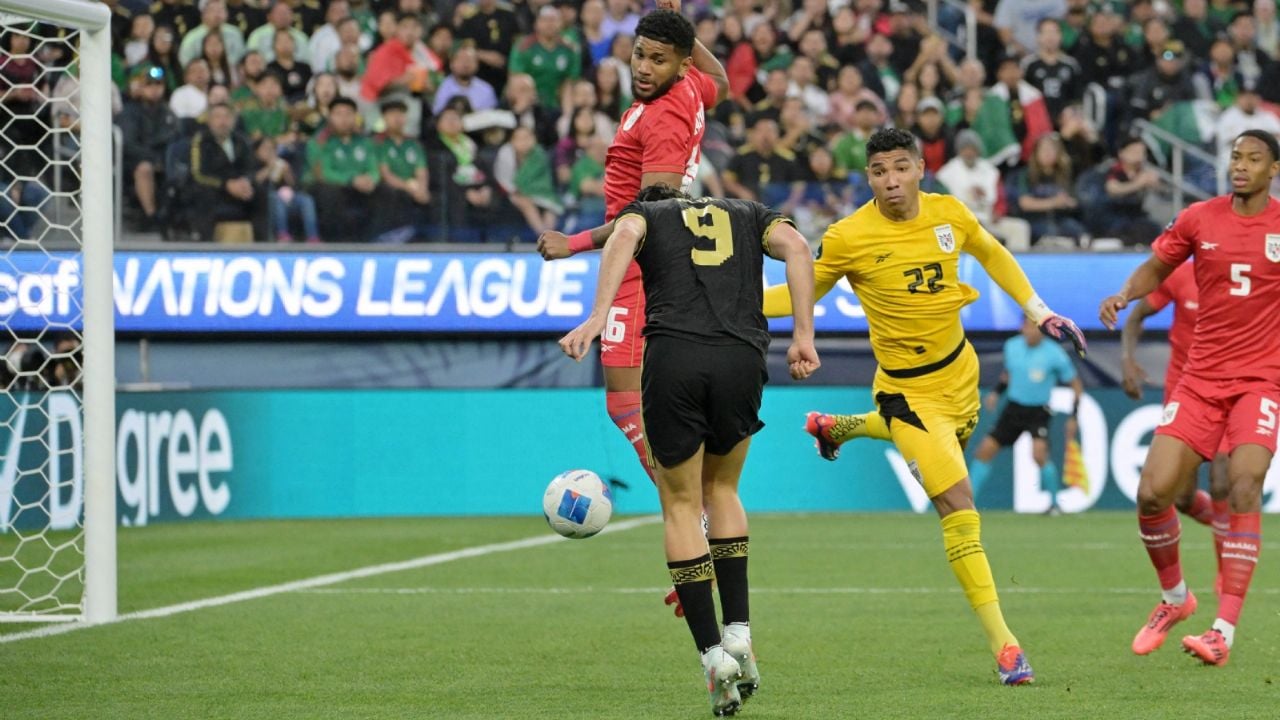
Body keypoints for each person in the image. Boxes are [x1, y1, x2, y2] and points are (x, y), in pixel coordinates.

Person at [768, 127, 1089, 686]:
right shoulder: (849, 236)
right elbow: (796, 294)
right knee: (960, 508)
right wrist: (722, 301)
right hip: (905, 392)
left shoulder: (949, 213)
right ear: (868, 177)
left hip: (961, 376)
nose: (890, 181)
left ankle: (835, 428)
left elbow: (992, 252)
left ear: (919, 167)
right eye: (878, 171)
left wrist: (1040, 311)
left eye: (899, 167)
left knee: (942, 460)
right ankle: (1007, 647)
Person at [559, 183, 819, 716]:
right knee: (723, 489)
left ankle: (712, 657)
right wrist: (804, 336)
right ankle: (740, 631)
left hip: (675, 356)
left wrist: (596, 315)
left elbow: (624, 233)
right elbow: (798, 248)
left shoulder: (647, 214)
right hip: (743, 355)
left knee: (680, 504)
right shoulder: (750, 211)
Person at [1099, 129, 1280, 667]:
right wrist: (1125, 293)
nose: (1240, 166)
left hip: (1260, 380)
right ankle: (1176, 598)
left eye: (1253, 159)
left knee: (1242, 482)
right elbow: (1158, 265)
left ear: (1274, 170)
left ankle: (1222, 630)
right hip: (1199, 380)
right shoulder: (1200, 217)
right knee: (1154, 494)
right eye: (1235, 157)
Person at [536, 8, 727, 489]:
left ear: (681, 66)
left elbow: (650, 215)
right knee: (649, 395)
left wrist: (573, 243)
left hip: (641, 264)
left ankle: (691, 504)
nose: (643, 67)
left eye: (658, 60)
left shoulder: (664, 117)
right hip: (653, 262)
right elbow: (719, 79)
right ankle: (694, 499)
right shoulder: (688, 86)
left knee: (624, 401)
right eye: (640, 54)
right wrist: (682, 34)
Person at [1120, 259, 1229, 588]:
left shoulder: (1239, 273)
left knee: (1222, 479)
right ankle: (1233, 530)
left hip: (1227, 389)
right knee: (1180, 498)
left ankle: (1226, 572)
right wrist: (1127, 360)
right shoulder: (1181, 275)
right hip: (1185, 391)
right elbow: (1137, 316)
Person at [969, 317, 1086, 514]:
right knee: (984, 450)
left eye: (1035, 328)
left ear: (1042, 330)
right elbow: (1008, 373)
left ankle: (1055, 505)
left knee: (1039, 455)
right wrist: (997, 392)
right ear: (1021, 327)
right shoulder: (1011, 346)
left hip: (1038, 411)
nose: (1030, 332)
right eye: (1027, 327)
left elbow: (1076, 385)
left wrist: (1074, 416)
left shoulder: (1054, 354)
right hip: (1014, 408)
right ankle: (967, 503)